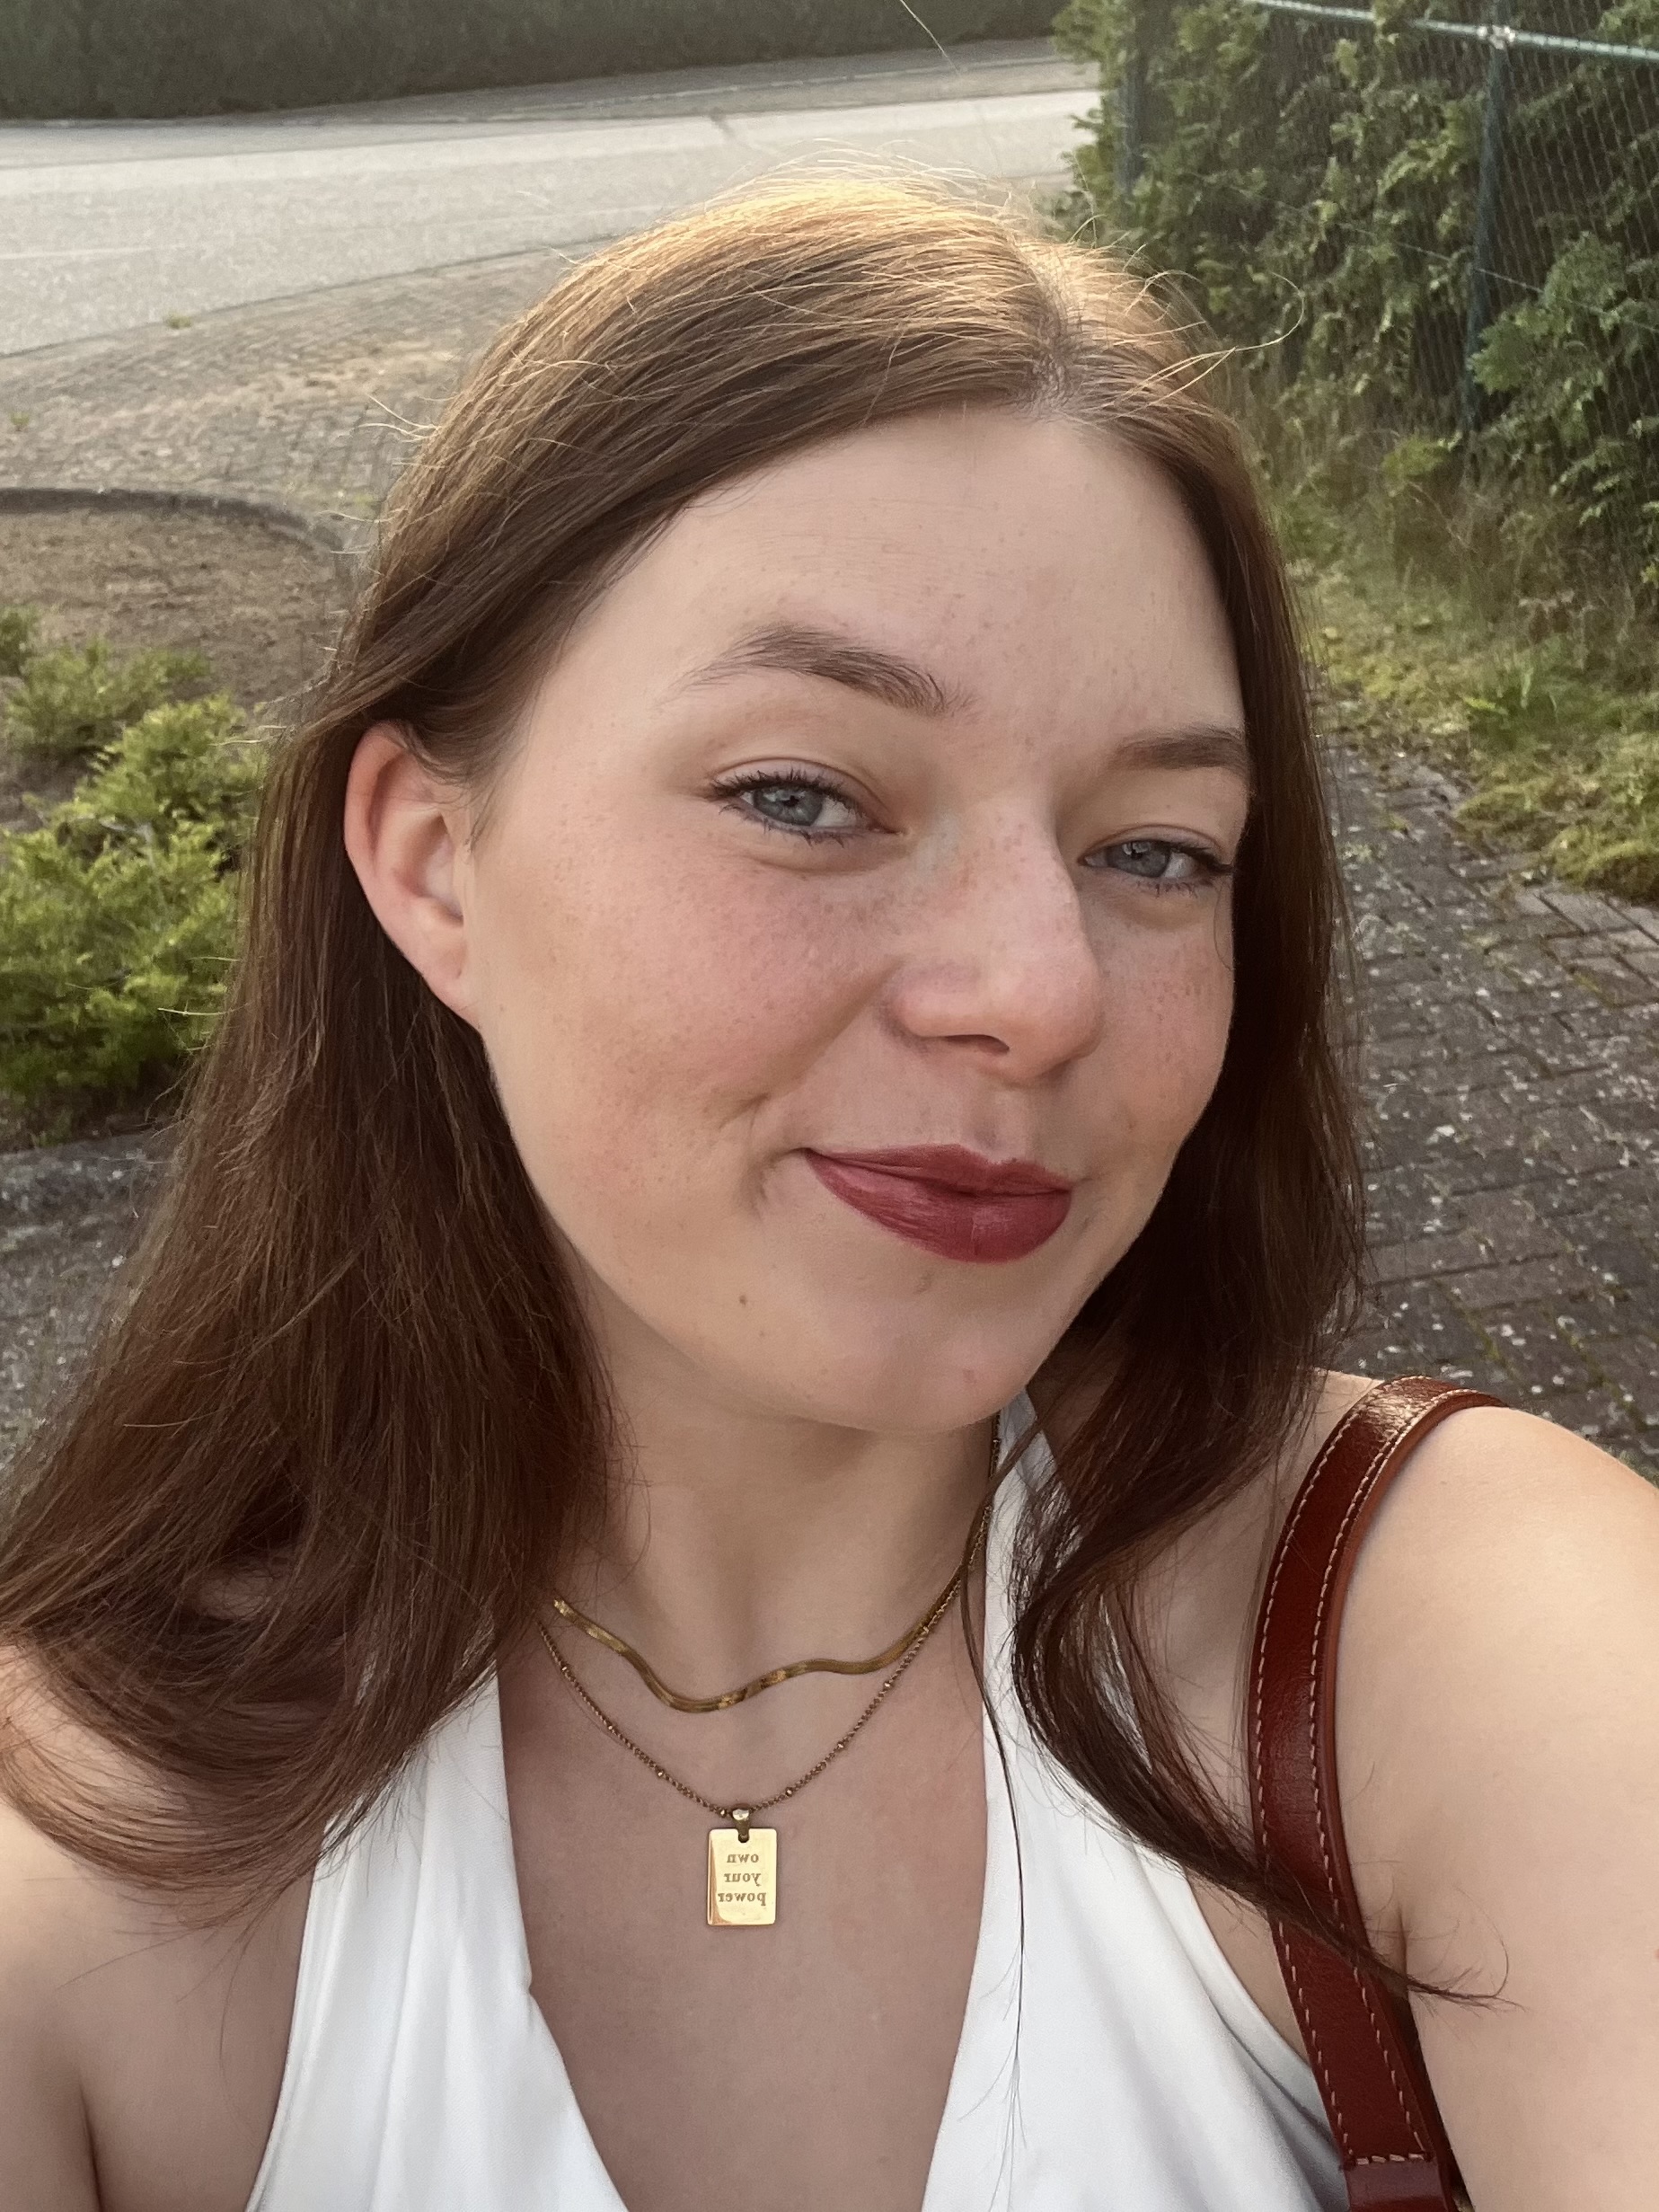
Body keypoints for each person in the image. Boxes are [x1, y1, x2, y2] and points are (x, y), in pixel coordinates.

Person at [1, 180, 1655, 2212]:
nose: (1041, 996)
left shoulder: (1456, 1646)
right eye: (804, 795)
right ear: (433, 863)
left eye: (1158, 851)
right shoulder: (89, 1866)